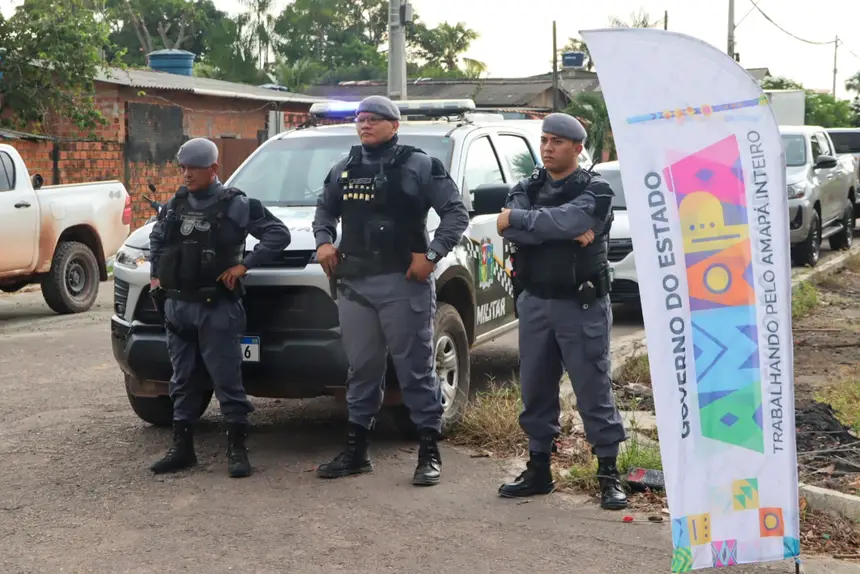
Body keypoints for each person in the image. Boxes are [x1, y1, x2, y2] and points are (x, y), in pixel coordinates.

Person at [311, 95, 470, 486]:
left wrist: (432, 254)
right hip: (356, 285)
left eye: (374, 119)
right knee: (362, 369)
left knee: (415, 369)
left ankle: (428, 452)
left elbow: (456, 212)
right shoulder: (345, 167)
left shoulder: (420, 164)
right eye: (361, 119)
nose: (365, 125)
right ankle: (356, 452)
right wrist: (323, 241)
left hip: (404, 283)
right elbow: (324, 210)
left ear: (394, 126)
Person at [495, 113, 629, 510]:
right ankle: (538, 470)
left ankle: (608, 473)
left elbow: (575, 218)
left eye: (557, 142)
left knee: (593, 389)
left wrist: (530, 224)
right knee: (535, 389)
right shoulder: (527, 186)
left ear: (577, 148)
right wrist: (557, 230)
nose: (548, 148)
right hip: (535, 302)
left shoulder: (597, 189)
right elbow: (512, 227)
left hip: (581, 305)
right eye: (545, 140)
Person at [148, 137, 292, 478]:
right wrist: (156, 278)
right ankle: (182, 449)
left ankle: (237, 450)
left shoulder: (236, 204)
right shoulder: (177, 203)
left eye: (193, 168)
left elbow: (278, 234)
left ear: (214, 169)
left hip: (217, 307)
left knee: (227, 380)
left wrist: (245, 265)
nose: (186, 175)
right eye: (182, 168)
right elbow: (158, 238)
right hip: (178, 305)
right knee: (181, 381)